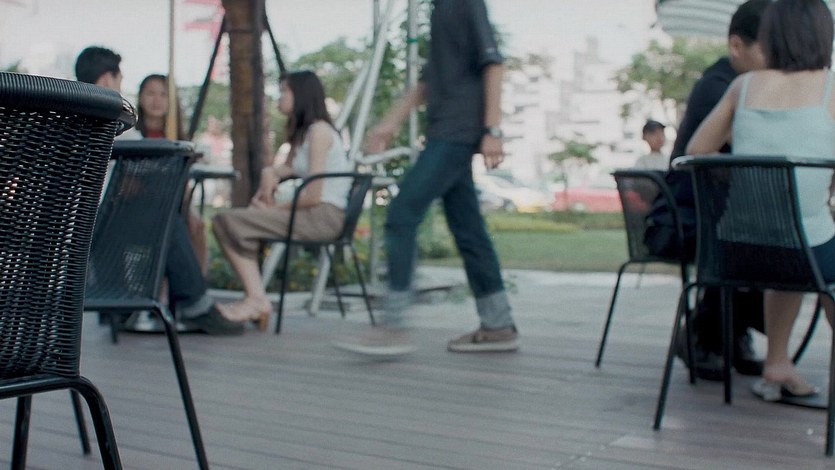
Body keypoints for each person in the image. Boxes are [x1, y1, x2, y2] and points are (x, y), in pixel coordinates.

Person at [335, 0, 518, 357]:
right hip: (446, 132)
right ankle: (498, 324)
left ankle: (393, 327)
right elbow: (428, 81)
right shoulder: (440, 8)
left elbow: (494, 63)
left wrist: (493, 129)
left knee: (401, 214)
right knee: (469, 231)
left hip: (455, 133)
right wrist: (389, 123)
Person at [686, 0, 834, 400]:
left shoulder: (743, 86)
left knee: (793, 246)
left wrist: (751, 169)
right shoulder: (831, 88)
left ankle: (777, 363)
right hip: (806, 252)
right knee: (812, 246)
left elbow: (696, 152)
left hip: (737, 252)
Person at [75, 46, 243, 335]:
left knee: (169, 217)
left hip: (73, 223)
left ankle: (131, 304)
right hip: (104, 224)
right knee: (168, 221)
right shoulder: (115, 123)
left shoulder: (71, 116)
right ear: (106, 79)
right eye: (119, 78)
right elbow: (133, 180)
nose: (120, 85)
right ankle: (194, 304)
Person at [645, 0, 771, 380]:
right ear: (737, 45)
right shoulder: (722, 88)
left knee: (759, 231)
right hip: (682, 220)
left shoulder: (737, 83)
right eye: (768, 50)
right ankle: (704, 334)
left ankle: (732, 332)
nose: (774, 62)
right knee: (750, 237)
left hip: (714, 216)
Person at [212, 70, 352, 331]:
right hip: (311, 213)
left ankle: (256, 300)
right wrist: (269, 173)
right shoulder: (304, 133)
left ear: (301, 94)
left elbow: (313, 196)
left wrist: (274, 208)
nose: (279, 96)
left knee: (226, 221)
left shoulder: (319, 132)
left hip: (323, 216)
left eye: (284, 91)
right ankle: (256, 299)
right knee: (225, 222)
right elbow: (287, 168)